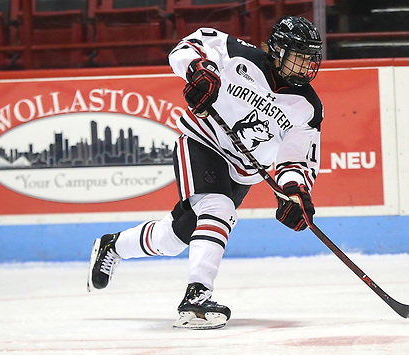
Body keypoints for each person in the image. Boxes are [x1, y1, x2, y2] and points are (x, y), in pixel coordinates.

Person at [87, 15, 324, 330]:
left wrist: (293, 191)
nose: (306, 66)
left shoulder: (307, 106)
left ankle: (113, 245)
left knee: (174, 237)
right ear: (278, 51)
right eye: (299, 57)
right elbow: (188, 47)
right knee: (218, 208)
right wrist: (199, 70)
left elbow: (295, 158)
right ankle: (197, 298)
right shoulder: (238, 54)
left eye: (311, 58)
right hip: (202, 141)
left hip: (242, 172)